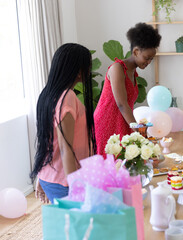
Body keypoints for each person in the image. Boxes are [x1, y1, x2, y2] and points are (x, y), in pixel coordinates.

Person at [30, 43, 97, 203]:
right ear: (79, 70)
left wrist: (41, 175)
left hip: (52, 175)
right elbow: (65, 148)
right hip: (65, 179)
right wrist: (75, 187)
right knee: (77, 225)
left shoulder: (47, 94)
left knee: (68, 224)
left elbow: (47, 141)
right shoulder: (68, 97)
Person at [94, 23, 161, 156]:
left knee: (126, 163)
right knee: (112, 164)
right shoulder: (117, 68)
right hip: (107, 121)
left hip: (122, 121)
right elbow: (122, 104)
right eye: (147, 58)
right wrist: (139, 133)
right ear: (136, 51)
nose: (148, 62)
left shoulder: (134, 73)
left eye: (151, 59)